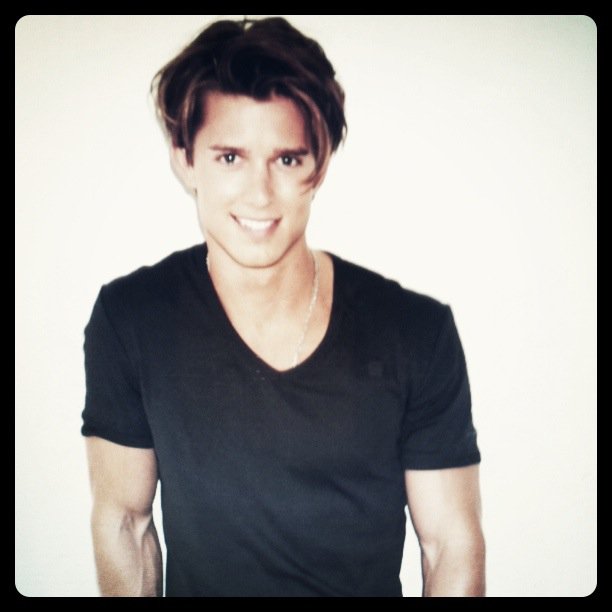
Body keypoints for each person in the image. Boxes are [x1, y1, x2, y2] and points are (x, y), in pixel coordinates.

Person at [82, 16, 485, 597]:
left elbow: (450, 544)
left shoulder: (416, 331)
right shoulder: (131, 320)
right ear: (184, 158)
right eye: (230, 158)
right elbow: (126, 521)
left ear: (320, 165)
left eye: (287, 160)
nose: (259, 193)